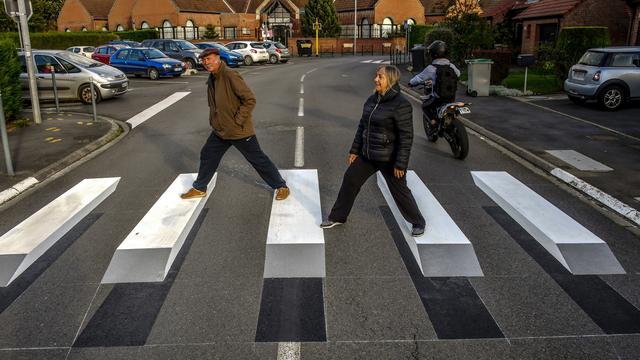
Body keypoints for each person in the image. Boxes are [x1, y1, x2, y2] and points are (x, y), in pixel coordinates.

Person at [321, 65, 426, 237]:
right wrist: (355, 149)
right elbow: (363, 126)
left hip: (389, 158)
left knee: (400, 192)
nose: (376, 79)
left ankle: (418, 222)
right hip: (368, 154)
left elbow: (406, 137)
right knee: (350, 179)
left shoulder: (401, 105)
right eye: (377, 76)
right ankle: (338, 216)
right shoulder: (372, 100)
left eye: (380, 77)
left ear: (390, 81)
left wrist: (400, 163)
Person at [180, 47, 290, 201]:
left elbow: (249, 99)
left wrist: (237, 120)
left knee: (258, 159)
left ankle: (281, 186)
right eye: (204, 60)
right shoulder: (213, 77)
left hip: (239, 130)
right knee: (208, 154)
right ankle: (200, 188)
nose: (206, 62)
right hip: (220, 130)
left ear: (217, 58)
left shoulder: (230, 75)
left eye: (209, 59)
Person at [408, 40, 460, 128]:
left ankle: (433, 122)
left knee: (425, 106)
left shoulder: (431, 68)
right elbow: (458, 74)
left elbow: (418, 78)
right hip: (451, 97)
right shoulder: (451, 66)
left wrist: (410, 83)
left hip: (438, 98)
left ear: (433, 54)